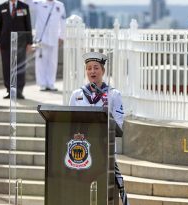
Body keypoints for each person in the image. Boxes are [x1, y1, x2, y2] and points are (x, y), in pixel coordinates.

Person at [69, 52, 129, 205]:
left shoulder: (113, 95)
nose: (92, 71)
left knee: (105, 188)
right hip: (82, 150)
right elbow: (69, 123)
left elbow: (119, 123)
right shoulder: (77, 95)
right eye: (89, 68)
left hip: (104, 149)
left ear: (103, 71)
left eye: (96, 68)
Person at [23, 0, 66, 91]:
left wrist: (62, 36)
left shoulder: (60, 5)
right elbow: (27, 3)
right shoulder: (39, 3)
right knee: (40, 62)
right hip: (41, 39)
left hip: (54, 38)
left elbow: (63, 22)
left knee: (53, 62)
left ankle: (51, 83)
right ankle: (42, 83)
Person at [0, 0, 33, 99]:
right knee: (7, 67)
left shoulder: (24, 6)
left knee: (20, 66)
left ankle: (19, 90)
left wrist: (29, 42)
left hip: (20, 42)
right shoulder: (2, 6)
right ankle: (9, 90)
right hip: (5, 42)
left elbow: (28, 24)